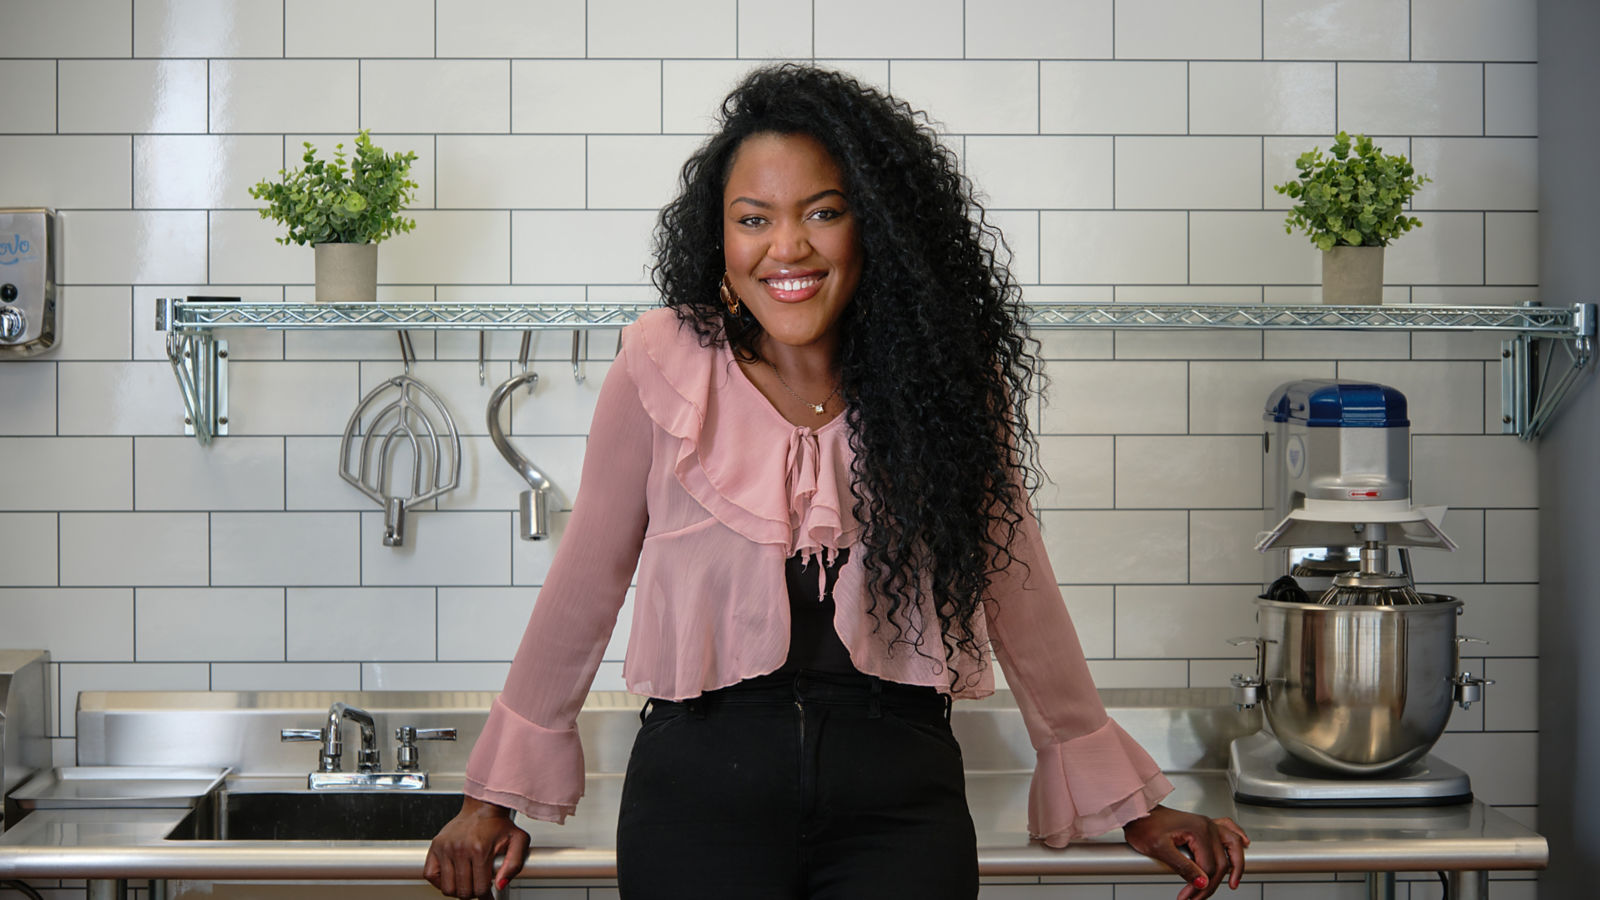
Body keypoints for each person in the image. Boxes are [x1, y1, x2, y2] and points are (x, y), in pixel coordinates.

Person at [425, 64, 1249, 900]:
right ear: (721, 241)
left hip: (899, 803)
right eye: (754, 220)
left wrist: (1128, 800)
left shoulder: (946, 376)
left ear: (876, 228)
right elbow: (586, 577)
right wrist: (492, 796)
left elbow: (1015, 578)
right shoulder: (662, 361)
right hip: (696, 801)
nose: (787, 248)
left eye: (823, 212)